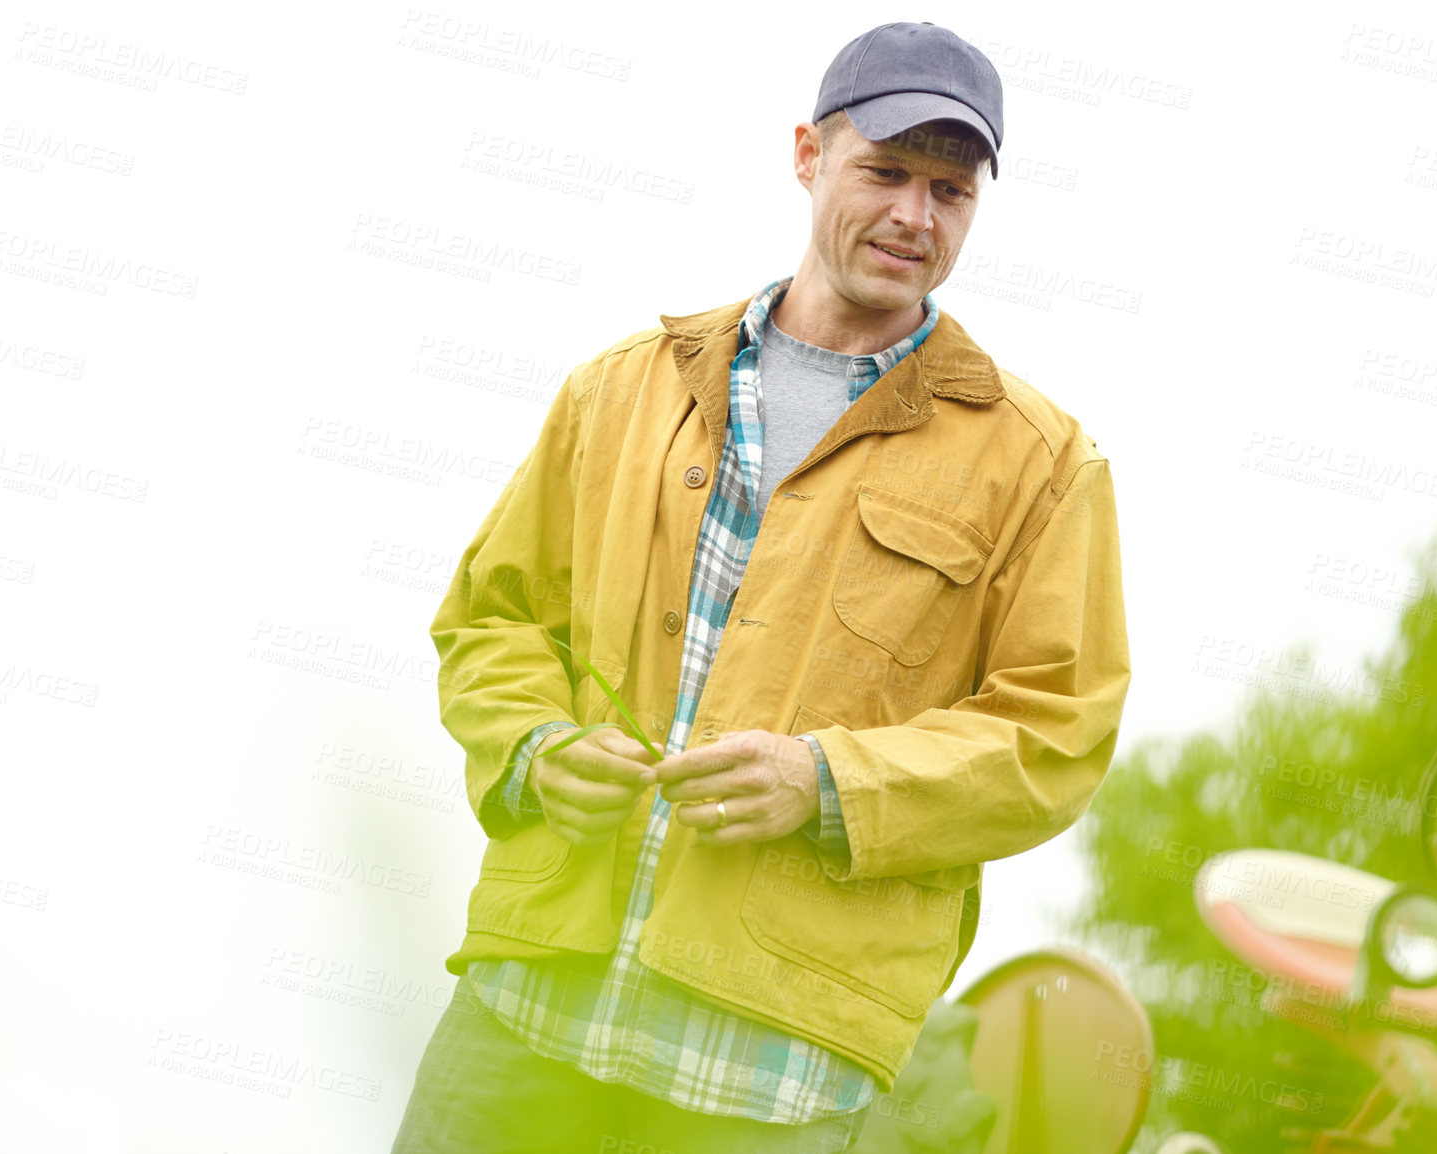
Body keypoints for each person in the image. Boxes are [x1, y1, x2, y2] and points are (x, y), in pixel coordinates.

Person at [392, 20, 1131, 1154]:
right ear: (807, 154)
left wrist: (829, 780)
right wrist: (536, 745)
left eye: (949, 190)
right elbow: (495, 617)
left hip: (770, 1081)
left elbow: (1054, 734)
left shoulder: (1040, 464)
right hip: (522, 1027)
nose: (912, 218)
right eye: (884, 171)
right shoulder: (622, 390)